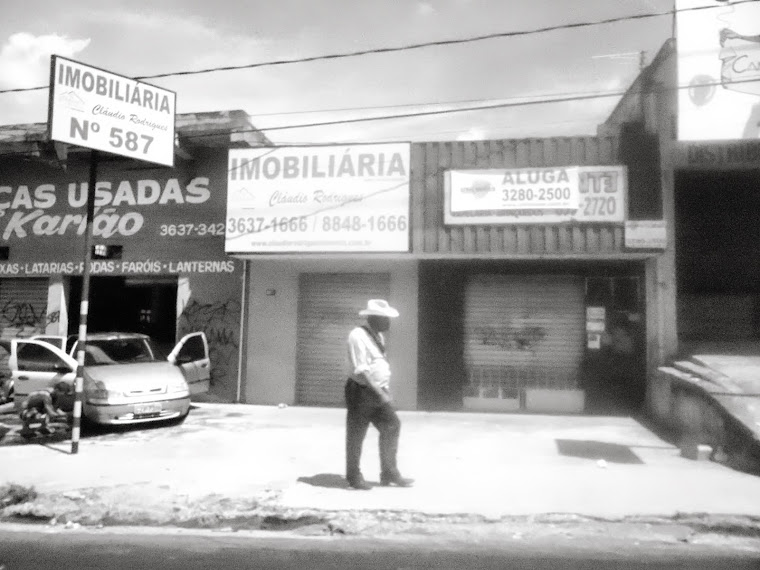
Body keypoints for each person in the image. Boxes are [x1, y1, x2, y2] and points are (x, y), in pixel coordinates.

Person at [345, 299, 413, 490]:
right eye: (385, 319)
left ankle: (389, 473)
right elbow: (362, 371)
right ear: (373, 318)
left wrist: (385, 391)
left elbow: (378, 367)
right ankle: (354, 477)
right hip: (361, 391)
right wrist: (381, 395)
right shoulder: (357, 336)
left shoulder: (378, 336)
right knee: (357, 434)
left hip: (377, 390)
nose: (388, 323)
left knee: (392, 425)